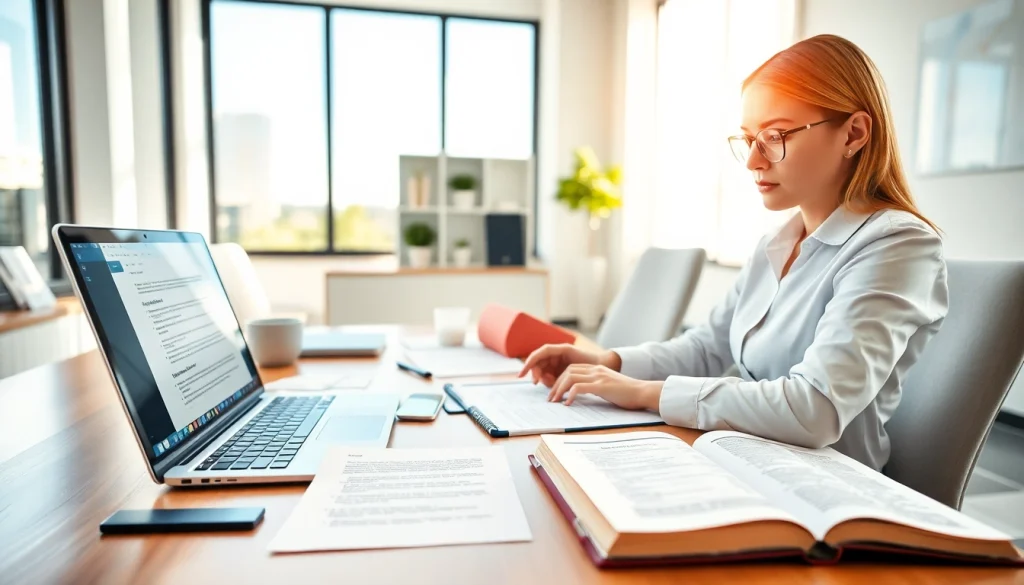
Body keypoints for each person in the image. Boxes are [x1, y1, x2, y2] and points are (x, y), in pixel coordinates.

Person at [519, 34, 948, 471]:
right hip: (745, 458)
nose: (754, 162)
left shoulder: (897, 245)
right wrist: (609, 362)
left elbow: (814, 409)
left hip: (824, 491)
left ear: (854, 133)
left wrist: (646, 393)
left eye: (776, 136)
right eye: (749, 139)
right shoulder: (776, 244)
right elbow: (707, 348)